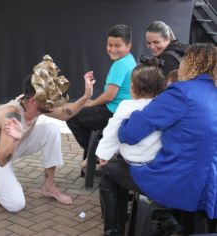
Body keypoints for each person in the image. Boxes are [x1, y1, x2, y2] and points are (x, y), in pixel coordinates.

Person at [99, 43, 217, 235]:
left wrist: (126, 120)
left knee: (109, 171)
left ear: (190, 63)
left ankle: (114, 232)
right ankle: (170, 220)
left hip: (179, 181)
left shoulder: (181, 92)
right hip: (211, 186)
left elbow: (131, 133)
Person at [0, 55, 95, 212]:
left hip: (17, 142)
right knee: (16, 205)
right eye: (48, 99)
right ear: (33, 100)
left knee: (52, 130)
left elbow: (65, 113)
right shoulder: (11, 116)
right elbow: (1, 159)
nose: (52, 103)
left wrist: (86, 96)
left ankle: (49, 187)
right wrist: (14, 138)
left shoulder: (35, 104)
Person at [66, 24, 136, 164]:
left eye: (118, 45)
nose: (113, 49)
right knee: (83, 111)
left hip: (113, 112)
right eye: (110, 45)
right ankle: (99, 152)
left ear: (128, 46)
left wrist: (91, 103)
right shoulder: (129, 60)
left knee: (73, 118)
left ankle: (98, 155)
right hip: (121, 110)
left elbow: (110, 95)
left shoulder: (120, 65)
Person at [93, 57, 166, 167]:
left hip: (132, 160)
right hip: (156, 159)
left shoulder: (126, 105)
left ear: (132, 87)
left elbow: (112, 130)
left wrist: (103, 154)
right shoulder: (164, 105)